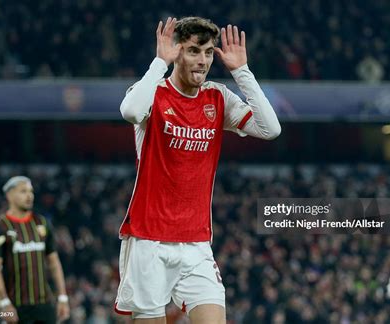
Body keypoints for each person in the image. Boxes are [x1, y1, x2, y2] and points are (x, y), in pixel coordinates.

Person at [114, 16, 281, 323]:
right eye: (193, 51)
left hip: (196, 244)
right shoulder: (153, 92)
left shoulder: (217, 97)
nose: (203, 60)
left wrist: (241, 72)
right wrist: (158, 63)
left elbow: (270, 129)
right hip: (148, 241)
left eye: (207, 52)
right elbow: (130, 111)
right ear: (176, 51)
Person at [0, 176, 70, 323]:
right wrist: (4, 303)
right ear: (9, 195)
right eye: (23, 191)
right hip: (16, 306)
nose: (29, 195)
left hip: (45, 304)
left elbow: (54, 263)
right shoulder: (0, 228)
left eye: (31, 191)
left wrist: (63, 297)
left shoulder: (42, 223)